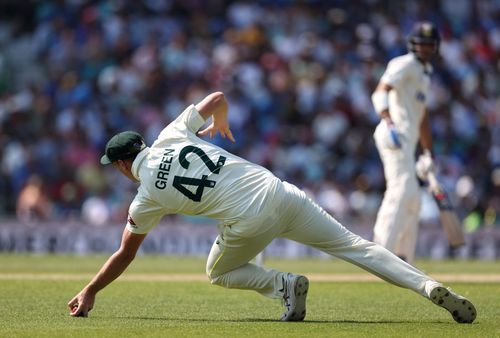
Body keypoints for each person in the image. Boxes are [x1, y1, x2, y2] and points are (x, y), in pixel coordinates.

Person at [68, 91, 476, 323]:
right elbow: (217, 97)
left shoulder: (145, 198)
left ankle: (282, 284)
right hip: (281, 191)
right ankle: (428, 286)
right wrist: (221, 121)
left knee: (218, 270)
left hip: (248, 219)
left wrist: (90, 290)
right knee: (356, 246)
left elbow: (125, 253)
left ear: (123, 164)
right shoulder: (170, 135)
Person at [371, 22, 441, 263]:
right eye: (421, 43)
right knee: (401, 189)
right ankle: (379, 253)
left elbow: (423, 118)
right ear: (413, 44)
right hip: (393, 135)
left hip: (408, 142)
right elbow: (380, 91)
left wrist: (429, 152)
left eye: (429, 44)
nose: (425, 48)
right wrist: (388, 121)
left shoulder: (425, 74)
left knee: (413, 196)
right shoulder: (403, 64)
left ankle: (402, 257)